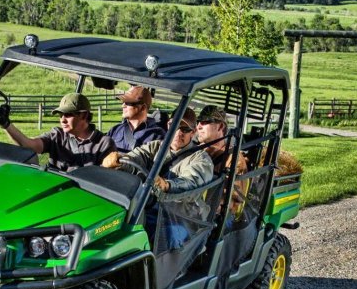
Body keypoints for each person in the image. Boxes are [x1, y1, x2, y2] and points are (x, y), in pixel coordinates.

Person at [103, 107, 213, 248]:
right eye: (175, 125)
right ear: (168, 125)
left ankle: (162, 269)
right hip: (151, 210)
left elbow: (192, 183)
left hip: (182, 220)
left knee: (165, 236)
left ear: (193, 133)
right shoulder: (157, 147)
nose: (178, 132)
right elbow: (137, 156)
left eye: (185, 129)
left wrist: (167, 185)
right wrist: (119, 159)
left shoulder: (201, 159)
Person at [0, 93, 115, 172]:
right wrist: (6, 124)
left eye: (68, 114)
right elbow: (29, 145)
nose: (62, 119)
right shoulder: (57, 136)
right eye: (60, 115)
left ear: (84, 115)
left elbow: (106, 180)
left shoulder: (104, 144)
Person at [196, 105, 249, 224]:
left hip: (221, 217)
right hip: (193, 209)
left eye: (205, 122)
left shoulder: (234, 160)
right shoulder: (196, 151)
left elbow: (233, 200)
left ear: (220, 126)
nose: (198, 126)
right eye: (198, 122)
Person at [107, 86, 164, 152]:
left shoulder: (157, 135)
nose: (123, 106)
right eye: (123, 102)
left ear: (143, 107)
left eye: (128, 103)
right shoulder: (115, 130)